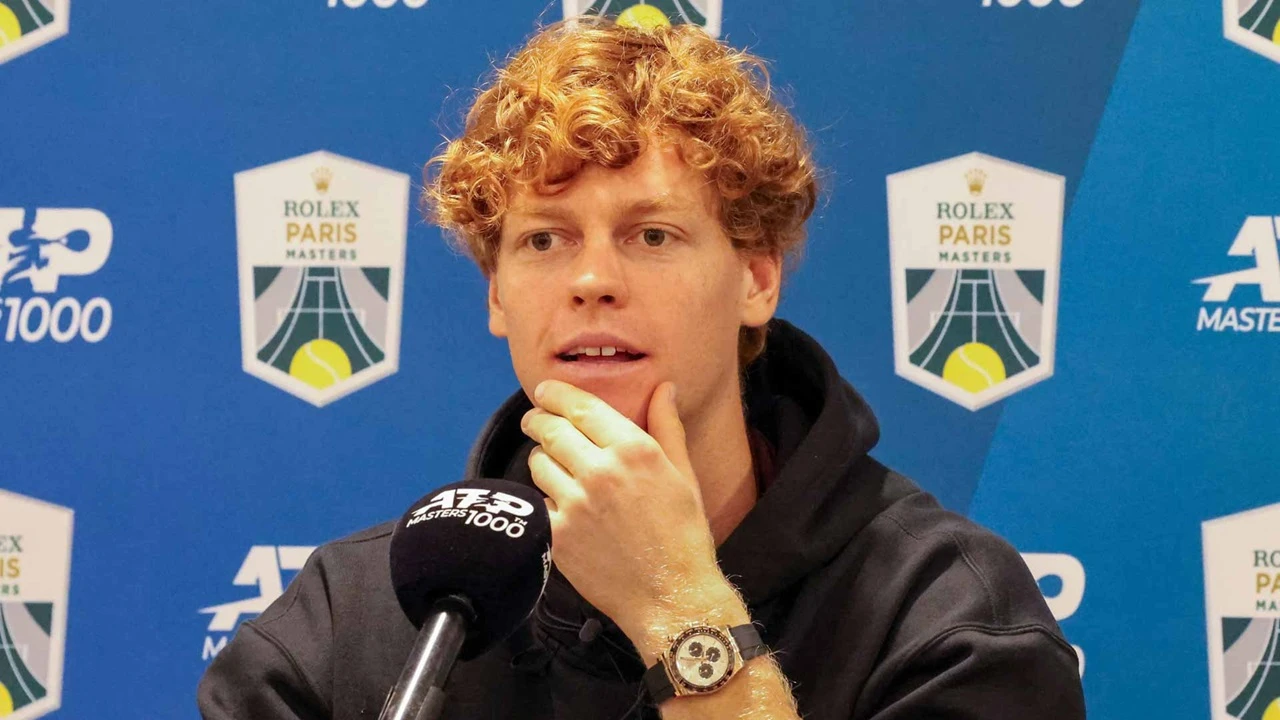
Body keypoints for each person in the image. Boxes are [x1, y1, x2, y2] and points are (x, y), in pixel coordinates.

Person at [198, 18, 1085, 720]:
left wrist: (680, 606)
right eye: (544, 240)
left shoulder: (944, 616)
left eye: (651, 235)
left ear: (757, 278)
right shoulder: (348, 623)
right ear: (497, 294)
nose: (592, 280)